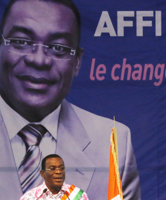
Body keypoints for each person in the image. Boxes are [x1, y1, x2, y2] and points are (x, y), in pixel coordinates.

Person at [0, 0, 141, 199]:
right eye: (22, 42)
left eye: (58, 47)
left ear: (77, 63)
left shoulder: (112, 143)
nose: (39, 60)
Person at [20, 154, 89, 200]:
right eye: (52, 169)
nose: (58, 172)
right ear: (43, 173)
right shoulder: (30, 197)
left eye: (61, 168)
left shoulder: (78, 195)